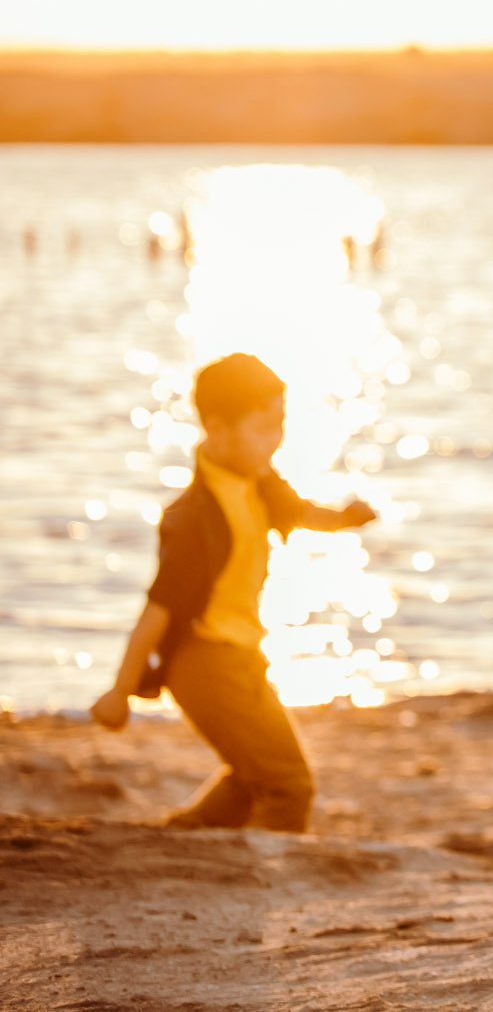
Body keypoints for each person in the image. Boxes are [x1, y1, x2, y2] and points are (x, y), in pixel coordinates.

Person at [90, 352, 377, 832]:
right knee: (289, 784)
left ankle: (179, 841)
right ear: (217, 430)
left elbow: (302, 514)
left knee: (254, 777)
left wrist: (344, 519)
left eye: (280, 425)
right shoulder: (193, 516)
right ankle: (270, 886)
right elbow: (157, 612)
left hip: (242, 656)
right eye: (263, 428)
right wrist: (120, 691)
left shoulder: (257, 481)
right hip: (203, 663)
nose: (276, 440)